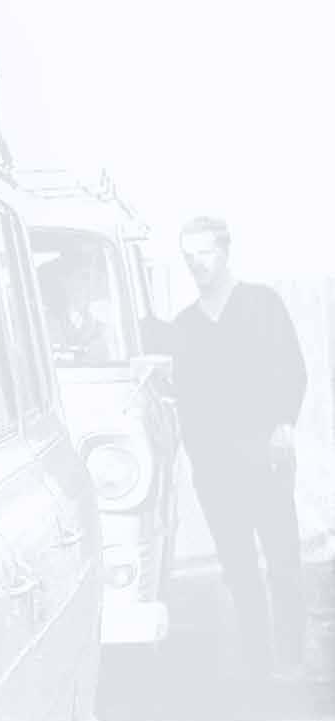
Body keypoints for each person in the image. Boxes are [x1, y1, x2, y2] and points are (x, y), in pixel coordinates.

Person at [169, 216, 310, 677]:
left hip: (266, 455)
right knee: (239, 570)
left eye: (205, 252)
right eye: (189, 256)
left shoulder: (262, 303)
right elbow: (186, 400)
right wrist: (198, 462)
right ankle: (258, 663)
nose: (197, 263)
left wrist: (283, 424)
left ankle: (291, 658)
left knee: (283, 563)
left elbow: (293, 368)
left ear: (225, 252)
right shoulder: (184, 326)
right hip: (215, 469)